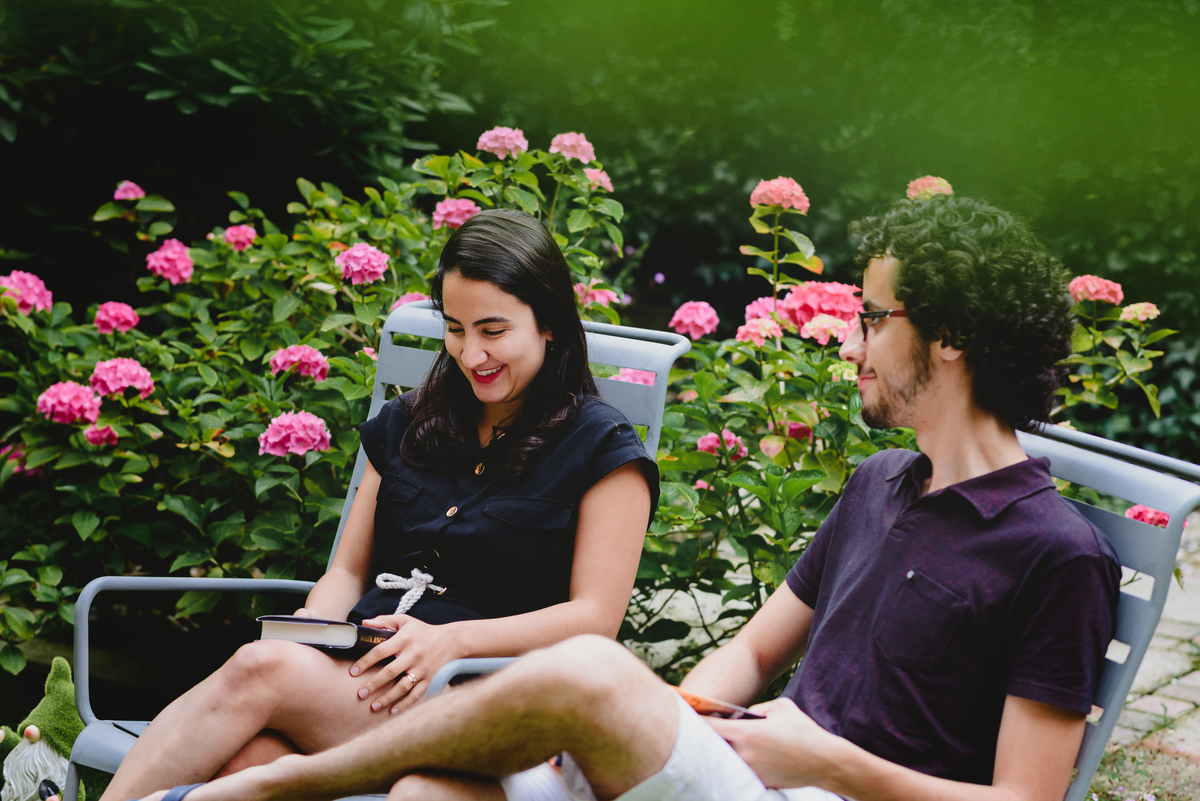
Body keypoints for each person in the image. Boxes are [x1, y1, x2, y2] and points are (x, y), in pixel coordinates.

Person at [131, 195, 1121, 801]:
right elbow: (751, 652)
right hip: (734, 769)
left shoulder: (1054, 551)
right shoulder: (880, 484)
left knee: (591, 671)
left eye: (874, 317)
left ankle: (271, 790)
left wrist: (827, 765)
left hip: (815, 791)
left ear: (946, 338)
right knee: (434, 786)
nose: (855, 342)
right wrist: (677, 716)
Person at [98, 208, 658, 801]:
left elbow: (596, 618)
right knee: (250, 758)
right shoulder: (411, 422)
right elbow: (346, 570)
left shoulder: (602, 449)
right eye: (455, 328)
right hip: (368, 677)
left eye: (493, 331)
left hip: (488, 696)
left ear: (550, 324)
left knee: (259, 672)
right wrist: (314, 630)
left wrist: (455, 640)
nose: (471, 355)